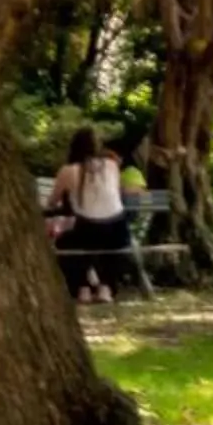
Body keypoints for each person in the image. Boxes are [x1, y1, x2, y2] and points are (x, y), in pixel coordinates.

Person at [52, 126, 133, 303]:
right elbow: (117, 196)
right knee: (109, 245)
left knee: (65, 243)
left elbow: (53, 201)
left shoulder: (68, 171)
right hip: (117, 228)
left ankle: (82, 288)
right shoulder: (112, 165)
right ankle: (106, 288)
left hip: (88, 229)